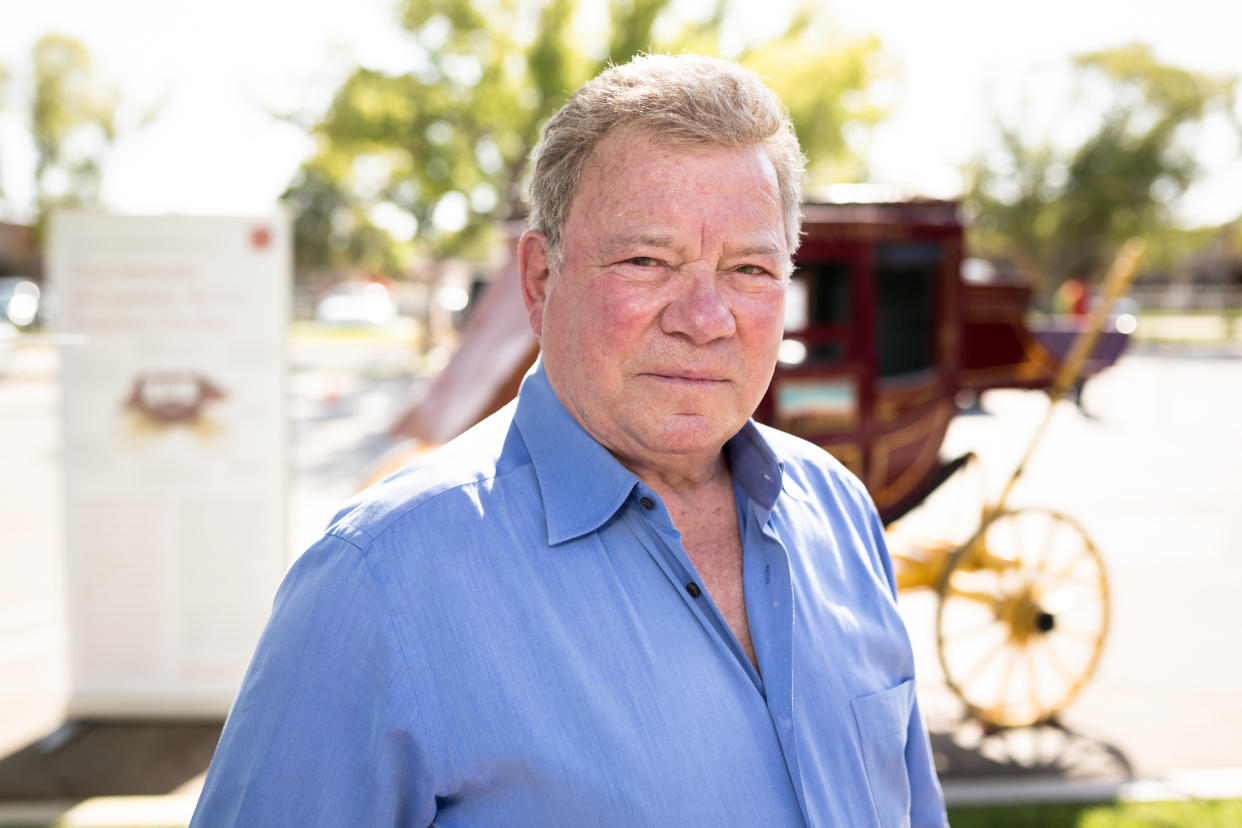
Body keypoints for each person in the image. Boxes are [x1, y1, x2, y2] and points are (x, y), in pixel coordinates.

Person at [190, 53, 947, 827]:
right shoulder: (380, 580)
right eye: (647, 261)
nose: (705, 316)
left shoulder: (840, 513)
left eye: (749, 269)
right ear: (540, 279)